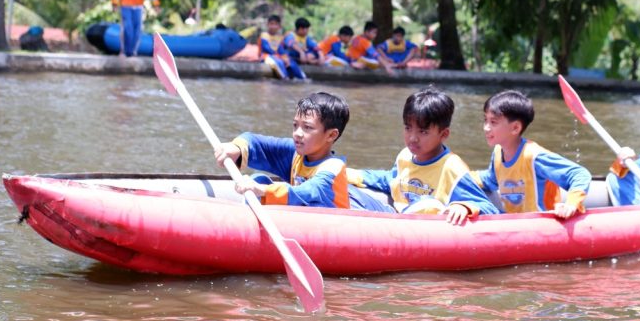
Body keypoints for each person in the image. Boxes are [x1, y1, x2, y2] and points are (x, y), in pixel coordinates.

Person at [348, 87, 499, 225]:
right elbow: (391, 180)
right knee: (345, 189)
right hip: (397, 219)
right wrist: (355, 175)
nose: (413, 138)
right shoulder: (405, 156)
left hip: (426, 229)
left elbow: (489, 208)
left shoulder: (452, 168)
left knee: (428, 204)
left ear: (443, 134)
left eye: (423, 132)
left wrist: (463, 207)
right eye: (408, 128)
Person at [213, 92, 351, 208]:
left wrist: (263, 190)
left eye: (307, 127)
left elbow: (307, 192)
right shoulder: (297, 153)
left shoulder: (333, 167)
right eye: (295, 125)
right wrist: (237, 147)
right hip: (300, 219)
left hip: (332, 225)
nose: (297, 133)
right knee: (258, 179)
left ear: (331, 135)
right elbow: (258, 143)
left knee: (260, 187)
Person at [477, 90, 591, 218]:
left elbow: (580, 174)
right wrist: (465, 178)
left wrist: (571, 204)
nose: (486, 128)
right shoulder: (498, 152)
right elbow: (491, 180)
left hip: (542, 224)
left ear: (515, 128)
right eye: (485, 120)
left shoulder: (534, 157)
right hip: (514, 223)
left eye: (493, 122)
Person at [258, 14, 305, 80]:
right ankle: (284, 78)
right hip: (266, 56)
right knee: (278, 62)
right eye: (271, 24)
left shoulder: (279, 37)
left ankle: (302, 78)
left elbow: (281, 50)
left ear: (279, 26)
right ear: (267, 25)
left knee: (291, 62)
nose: (273, 26)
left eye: (276, 24)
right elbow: (267, 49)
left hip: (277, 56)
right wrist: (280, 57)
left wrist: (285, 58)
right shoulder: (264, 35)